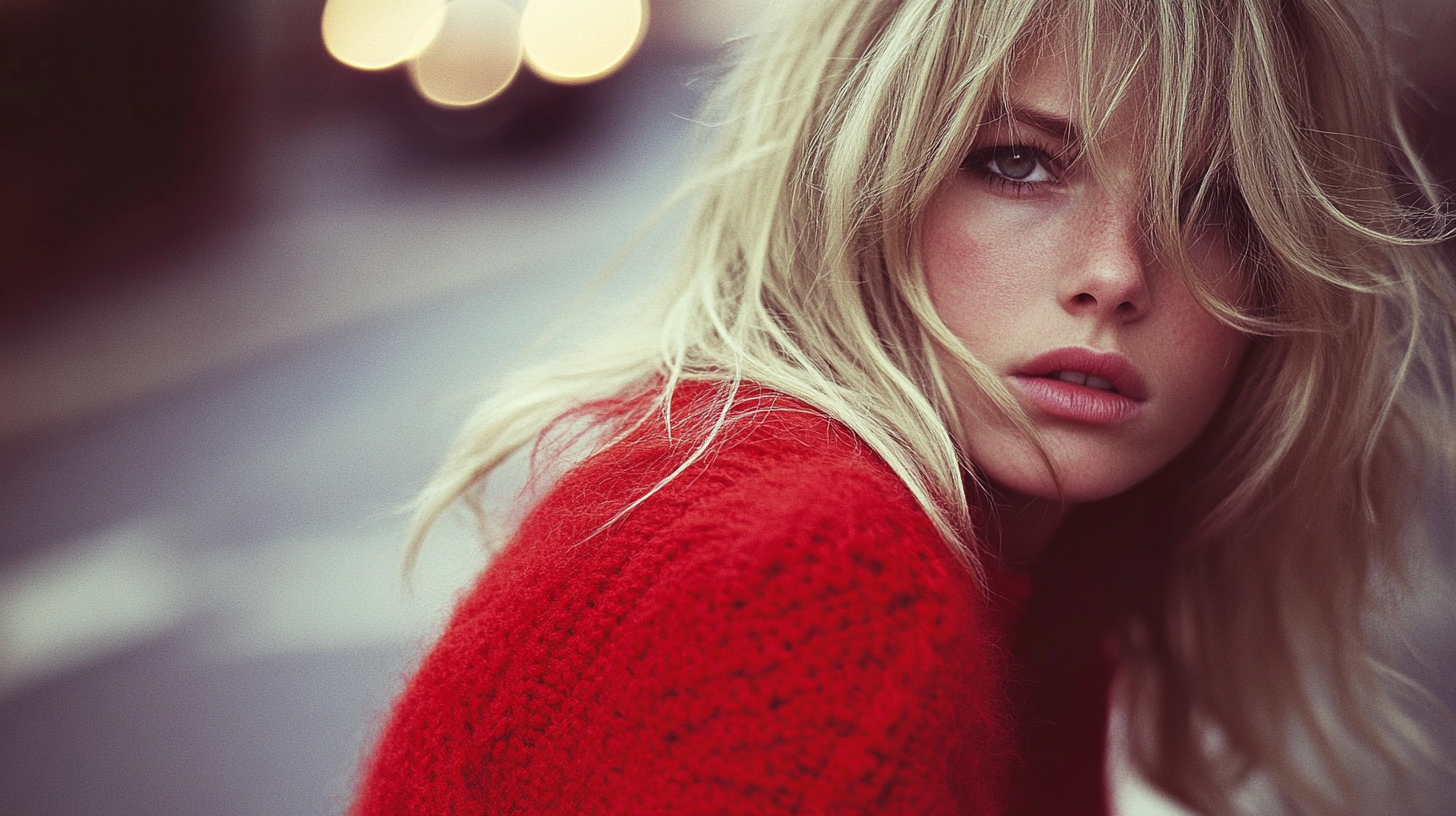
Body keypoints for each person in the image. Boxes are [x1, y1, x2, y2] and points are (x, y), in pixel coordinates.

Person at [353, 0, 1455, 813]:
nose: (1117, 272)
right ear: (855, 179)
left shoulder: (1046, 574)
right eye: (1018, 164)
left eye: (1212, 203)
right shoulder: (810, 577)